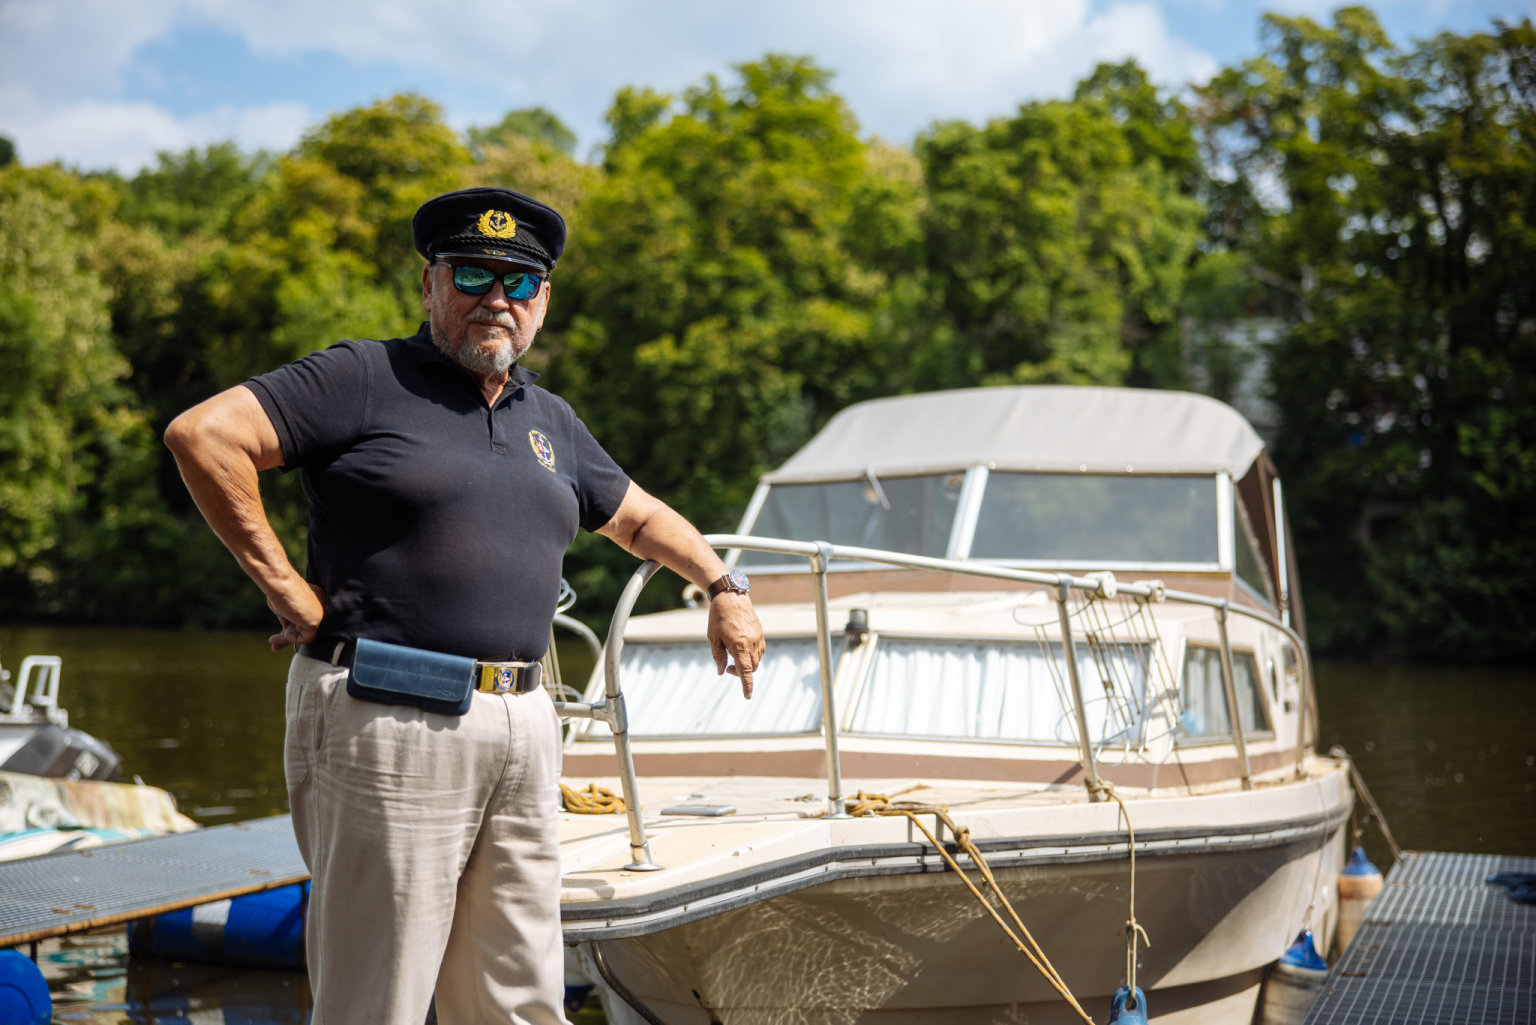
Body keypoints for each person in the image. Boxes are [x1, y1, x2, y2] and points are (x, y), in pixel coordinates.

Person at [164, 185, 766, 1025]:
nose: (497, 298)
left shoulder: (546, 417)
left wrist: (723, 585)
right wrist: (283, 584)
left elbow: (635, 515)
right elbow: (205, 434)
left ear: (542, 301)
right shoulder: (363, 377)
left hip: (524, 723)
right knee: (377, 1002)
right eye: (474, 274)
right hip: (389, 712)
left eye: (519, 284)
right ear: (429, 284)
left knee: (518, 999)